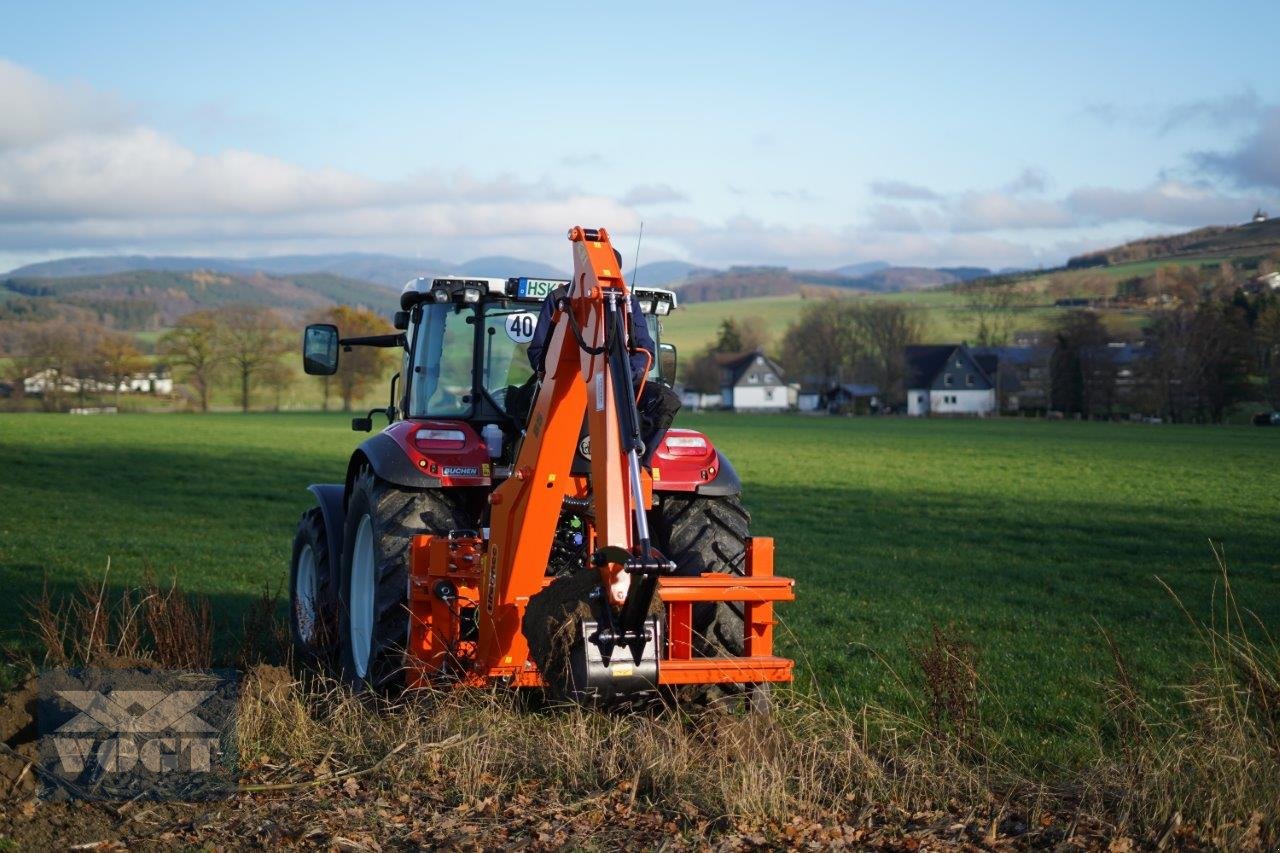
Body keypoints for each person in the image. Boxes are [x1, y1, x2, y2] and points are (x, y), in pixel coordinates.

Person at [518, 251, 681, 466]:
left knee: (666, 400)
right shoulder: (559, 300)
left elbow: (644, 350)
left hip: (616, 385)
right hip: (566, 387)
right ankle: (532, 462)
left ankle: (640, 464)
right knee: (522, 404)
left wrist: (621, 376)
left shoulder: (627, 303)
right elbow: (539, 351)